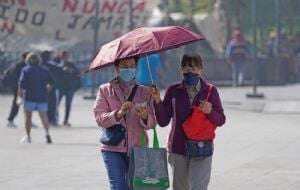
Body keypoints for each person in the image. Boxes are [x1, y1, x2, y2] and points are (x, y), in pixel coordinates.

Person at [151, 54, 226, 190]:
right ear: (181, 70)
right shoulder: (173, 91)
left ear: (200, 69)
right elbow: (163, 121)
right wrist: (157, 101)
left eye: (193, 67)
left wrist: (210, 111)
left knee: (198, 187)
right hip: (178, 148)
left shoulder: (210, 91)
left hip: (202, 147)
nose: (189, 71)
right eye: (185, 68)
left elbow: (221, 120)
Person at [93, 57, 157, 190]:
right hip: (112, 148)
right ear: (117, 68)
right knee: (118, 186)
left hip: (139, 148)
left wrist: (145, 116)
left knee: (137, 187)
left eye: (132, 66)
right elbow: (99, 118)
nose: (129, 69)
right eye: (125, 66)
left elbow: (152, 123)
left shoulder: (145, 92)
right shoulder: (104, 90)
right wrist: (118, 113)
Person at [19, 53, 53, 144]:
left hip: (29, 97)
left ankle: (28, 136)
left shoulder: (25, 70)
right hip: (42, 97)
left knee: (28, 117)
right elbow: (51, 83)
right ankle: (47, 134)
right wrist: (46, 91)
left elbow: (21, 85)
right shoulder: (45, 70)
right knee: (44, 116)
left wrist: (19, 97)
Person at [4, 52, 29, 128]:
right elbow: (19, 78)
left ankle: (28, 120)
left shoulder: (20, 65)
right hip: (19, 88)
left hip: (20, 87)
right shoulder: (21, 66)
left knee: (26, 104)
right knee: (17, 104)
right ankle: (10, 120)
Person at [41, 51, 64, 126]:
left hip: (42, 87)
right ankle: (53, 120)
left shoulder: (41, 64)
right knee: (53, 104)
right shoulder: (50, 64)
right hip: (52, 87)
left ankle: (47, 120)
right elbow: (60, 67)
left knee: (46, 104)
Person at [58, 51, 81, 126]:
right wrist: (62, 70)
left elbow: (78, 73)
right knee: (56, 104)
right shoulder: (57, 63)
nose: (67, 57)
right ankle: (54, 119)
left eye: (67, 56)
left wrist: (71, 71)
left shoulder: (71, 64)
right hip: (60, 87)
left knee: (68, 105)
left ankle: (65, 120)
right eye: (65, 56)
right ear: (62, 56)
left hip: (70, 88)